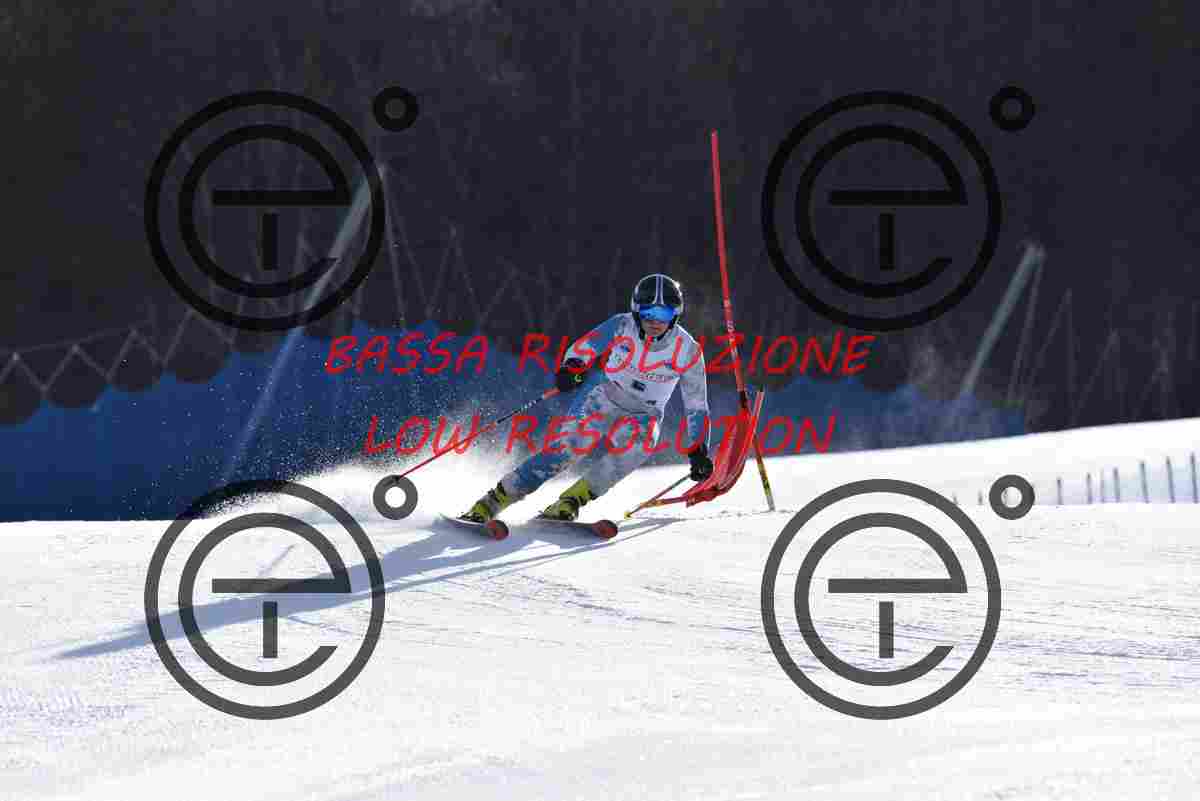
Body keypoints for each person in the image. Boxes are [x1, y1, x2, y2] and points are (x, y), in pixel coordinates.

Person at [461, 273, 713, 523]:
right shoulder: (622, 325)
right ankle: (495, 500)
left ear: (675, 315)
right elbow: (585, 347)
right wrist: (572, 368)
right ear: (637, 311)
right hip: (606, 397)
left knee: (639, 447)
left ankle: (570, 501)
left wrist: (699, 450)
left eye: (663, 314)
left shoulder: (688, 350)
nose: (655, 321)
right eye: (648, 313)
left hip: (647, 413)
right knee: (570, 446)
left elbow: (697, 406)